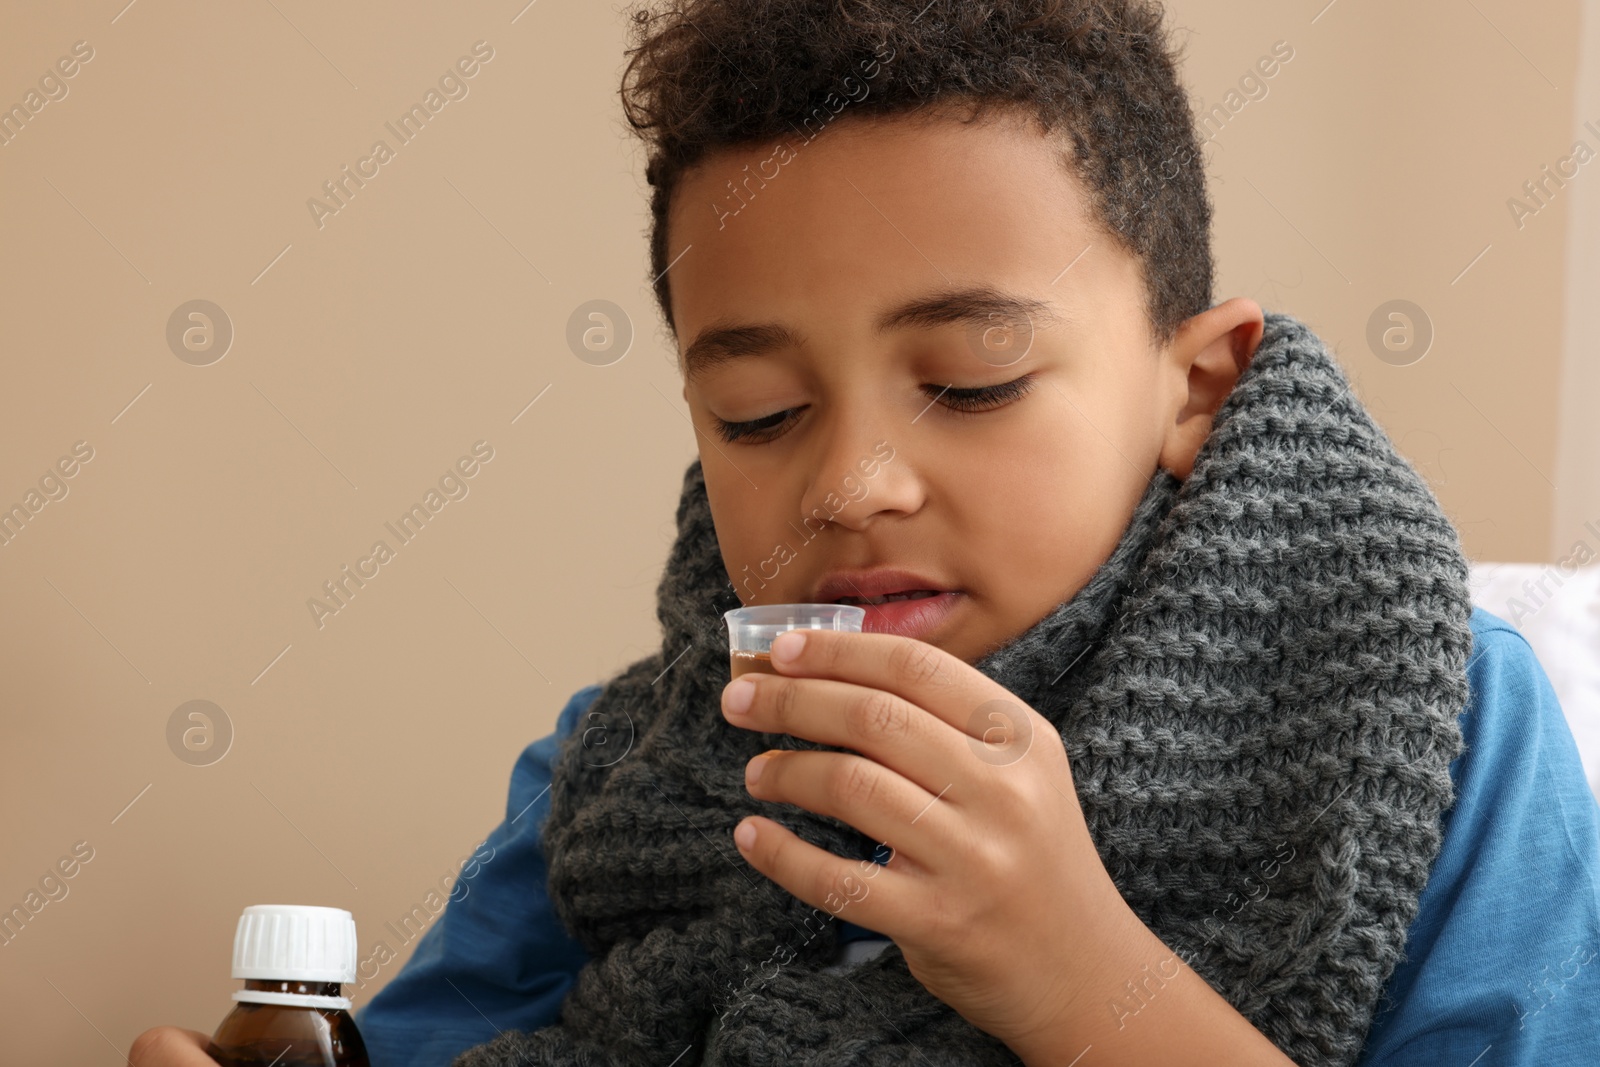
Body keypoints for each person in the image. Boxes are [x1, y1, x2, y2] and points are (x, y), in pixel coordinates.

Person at [129, 1, 1600, 1064]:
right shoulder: (612, 775)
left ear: (1196, 385)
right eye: (762, 414)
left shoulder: (1431, 729)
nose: (850, 485)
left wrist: (1078, 979)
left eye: (969, 381)